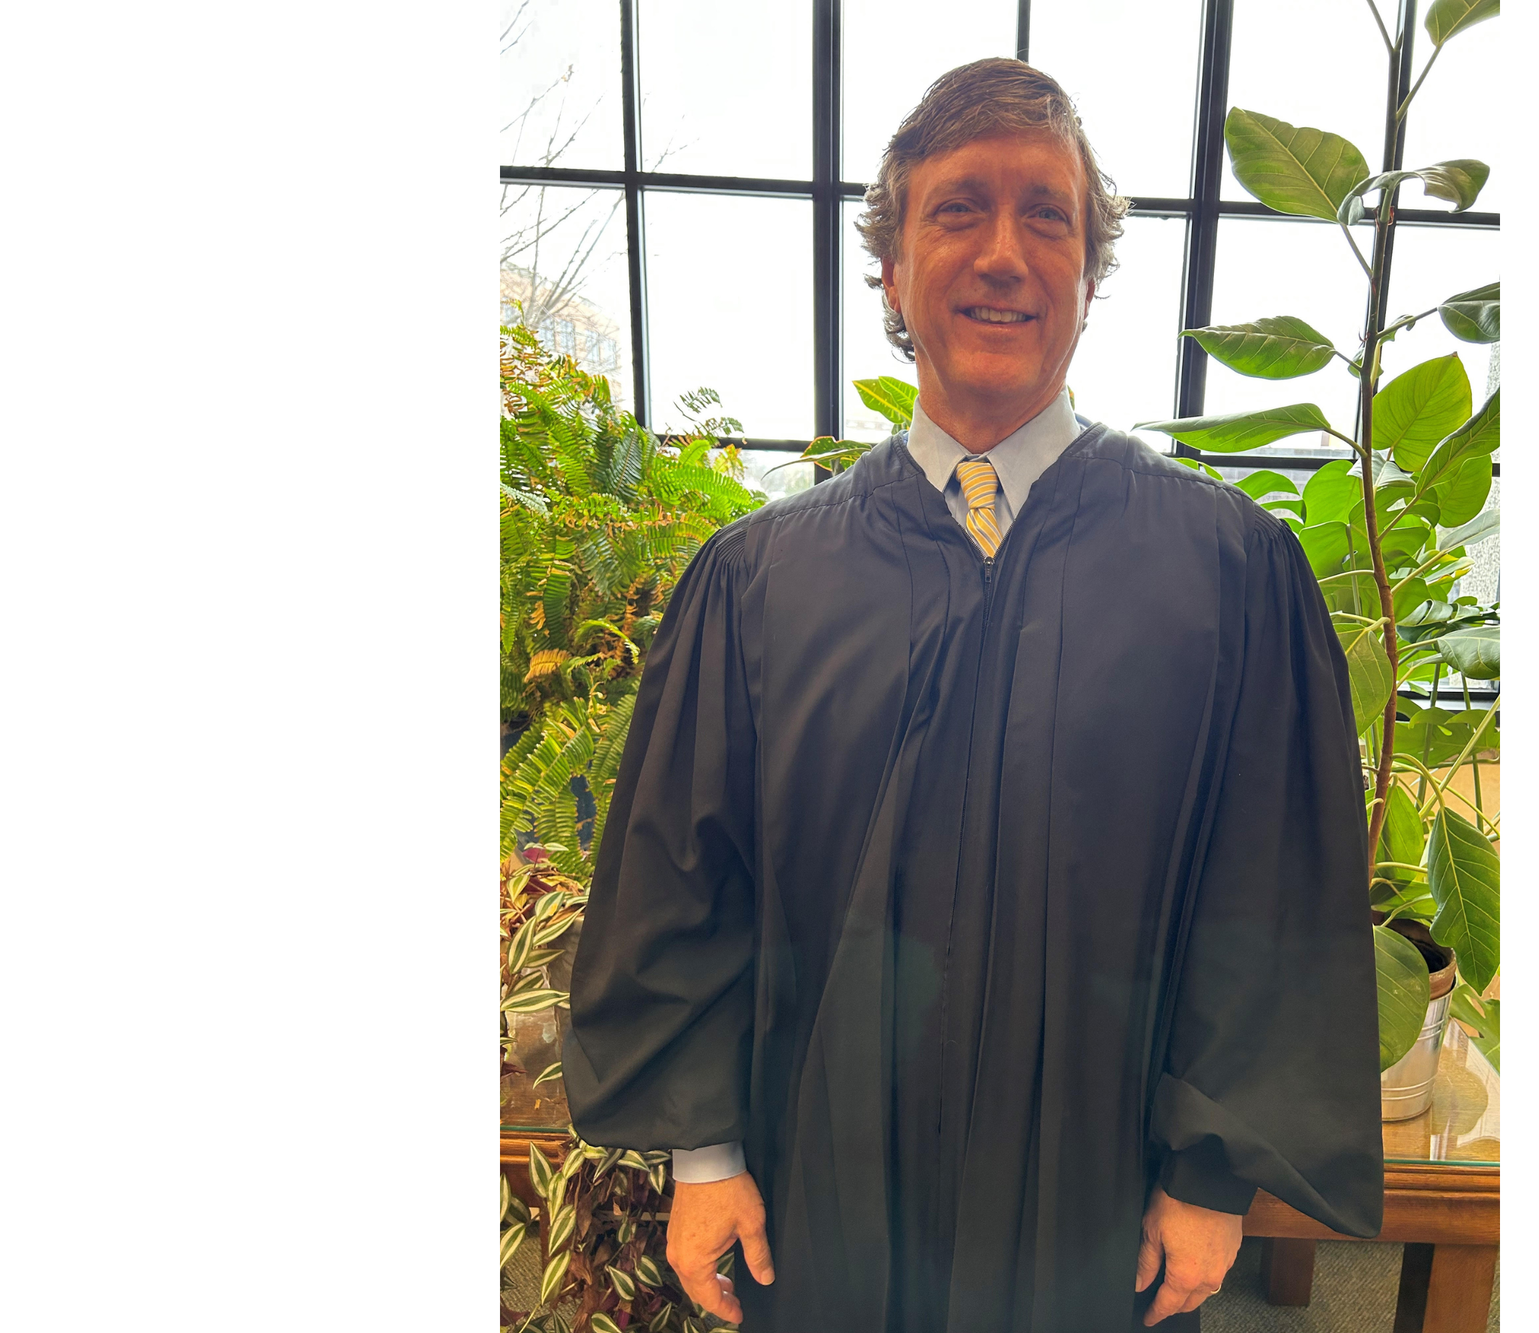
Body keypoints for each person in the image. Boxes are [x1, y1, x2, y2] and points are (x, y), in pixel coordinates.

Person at [563, 57, 1382, 1333]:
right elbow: (681, 882)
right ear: (890, 269)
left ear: (1088, 274)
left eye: (1044, 215)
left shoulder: (1225, 573)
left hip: (1102, 1207)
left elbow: (1266, 887)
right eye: (957, 210)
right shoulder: (757, 583)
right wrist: (705, 1160)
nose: (1003, 251)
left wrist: (1210, 1172)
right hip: (816, 1196)